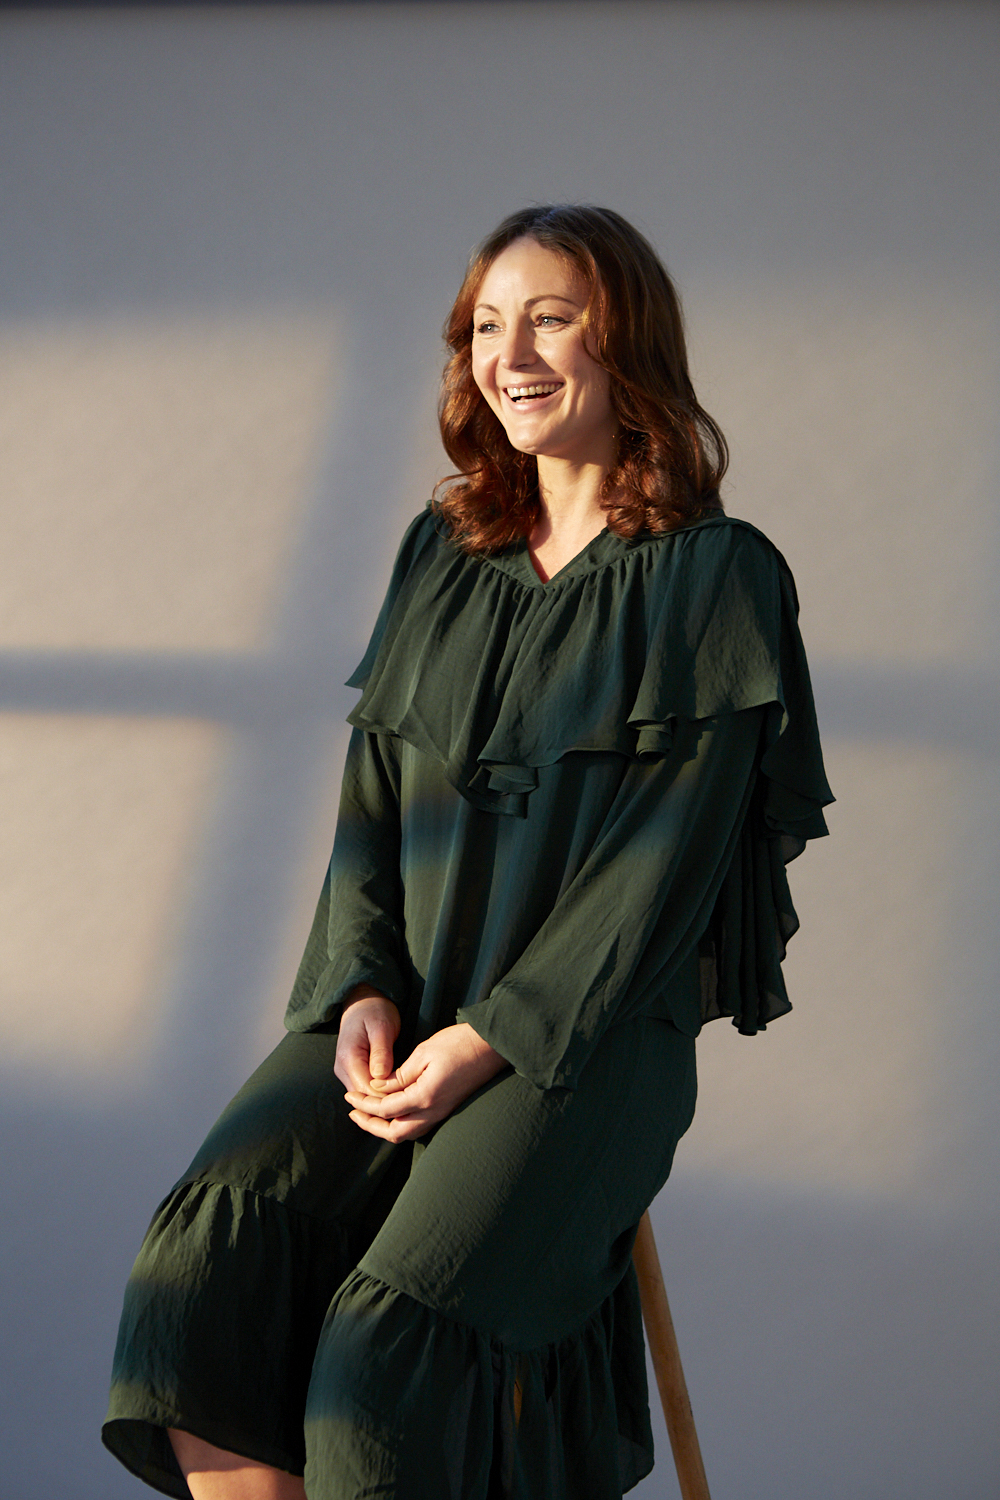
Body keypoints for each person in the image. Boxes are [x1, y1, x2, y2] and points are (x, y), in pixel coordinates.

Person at [103, 204, 833, 1500]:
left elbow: (656, 873)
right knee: (201, 1273)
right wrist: (365, 988)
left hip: (583, 1043)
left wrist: (487, 1040)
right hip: (408, 1008)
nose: (513, 354)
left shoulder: (717, 579)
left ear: (626, 343)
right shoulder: (439, 551)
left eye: (551, 318)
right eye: (489, 325)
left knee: (384, 1354)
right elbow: (373, 800)